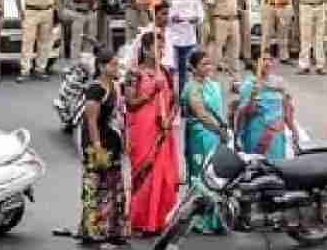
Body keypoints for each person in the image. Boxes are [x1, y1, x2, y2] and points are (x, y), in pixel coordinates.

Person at [126, 32, 180, 236]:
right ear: (146, 49)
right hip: (143, 131)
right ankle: (140, 220)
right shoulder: (134, 74)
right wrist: (151, 93)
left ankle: (159, 221)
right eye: (157, 47)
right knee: (144, 176)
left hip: (163, 131)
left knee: (163, 177)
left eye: (163, 47)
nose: (161, 51)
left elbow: (174, 101)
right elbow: (130, 104)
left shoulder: (165, 72)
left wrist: (169, 119)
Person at [77, 48, 129, 246]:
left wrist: (125, 139)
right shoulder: (96, 89)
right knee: (95, 187)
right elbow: (91, 120)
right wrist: (97, 147)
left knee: (115, 187)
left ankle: (114, 229)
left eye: (117, 64)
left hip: (113, 144)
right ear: (101, 67)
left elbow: (121, 116)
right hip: (97, 146)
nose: (117, 68)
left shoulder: (116, 86)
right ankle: (92, 229)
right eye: (113, 64)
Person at [181, 49, 226, 234]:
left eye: (209, 63)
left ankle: (217, 218)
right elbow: (201, 114)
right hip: (200, 136)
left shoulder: (211, 85)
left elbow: (216, 112)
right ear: (193, 67)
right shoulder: (191, 88)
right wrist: (219, 130)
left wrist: (223, 127)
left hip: (214, 135)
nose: (208, 67)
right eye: (203, 64)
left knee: (215, 176)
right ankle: (201, 219)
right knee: (201, 176)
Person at [237, 47, 298, 160]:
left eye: (270, 59)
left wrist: (293, 129)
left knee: (278, 169)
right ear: (254, 62)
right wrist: (253, 97)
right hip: (258, 134)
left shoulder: (278, 82)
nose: (268, 63)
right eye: (264, 59)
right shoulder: (249, 85)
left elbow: (287, 107)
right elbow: (246, 113)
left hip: (277, 136)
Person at [16, 0, 57, 83]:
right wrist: (20, 11)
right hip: (31, 11)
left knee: (44, 42)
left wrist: (57, 9)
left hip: (47, 11)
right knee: (27, 42)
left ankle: (40, 69)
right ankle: (25, 71)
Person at [206, 0, 247, 77]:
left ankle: (235, 81)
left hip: (234, 20)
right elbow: (210, 6)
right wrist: (212, 29)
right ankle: (211, 82)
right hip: (220, 20)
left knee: (234, 54)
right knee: (215, 55)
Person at [164, 0, 202, 90]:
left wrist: (196, 19)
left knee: (185, 72)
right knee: (171, 70)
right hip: (172, 40)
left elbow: (201, 15)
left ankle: (182, 100)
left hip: (189, 39)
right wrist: (171, 18)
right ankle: (171, 98)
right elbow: (161, 15)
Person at [260, 0, 294, 65]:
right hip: (269, 4)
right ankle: (265, 56)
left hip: (283, 5)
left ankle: (284, 56)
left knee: (283, 32)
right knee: (267, 32)